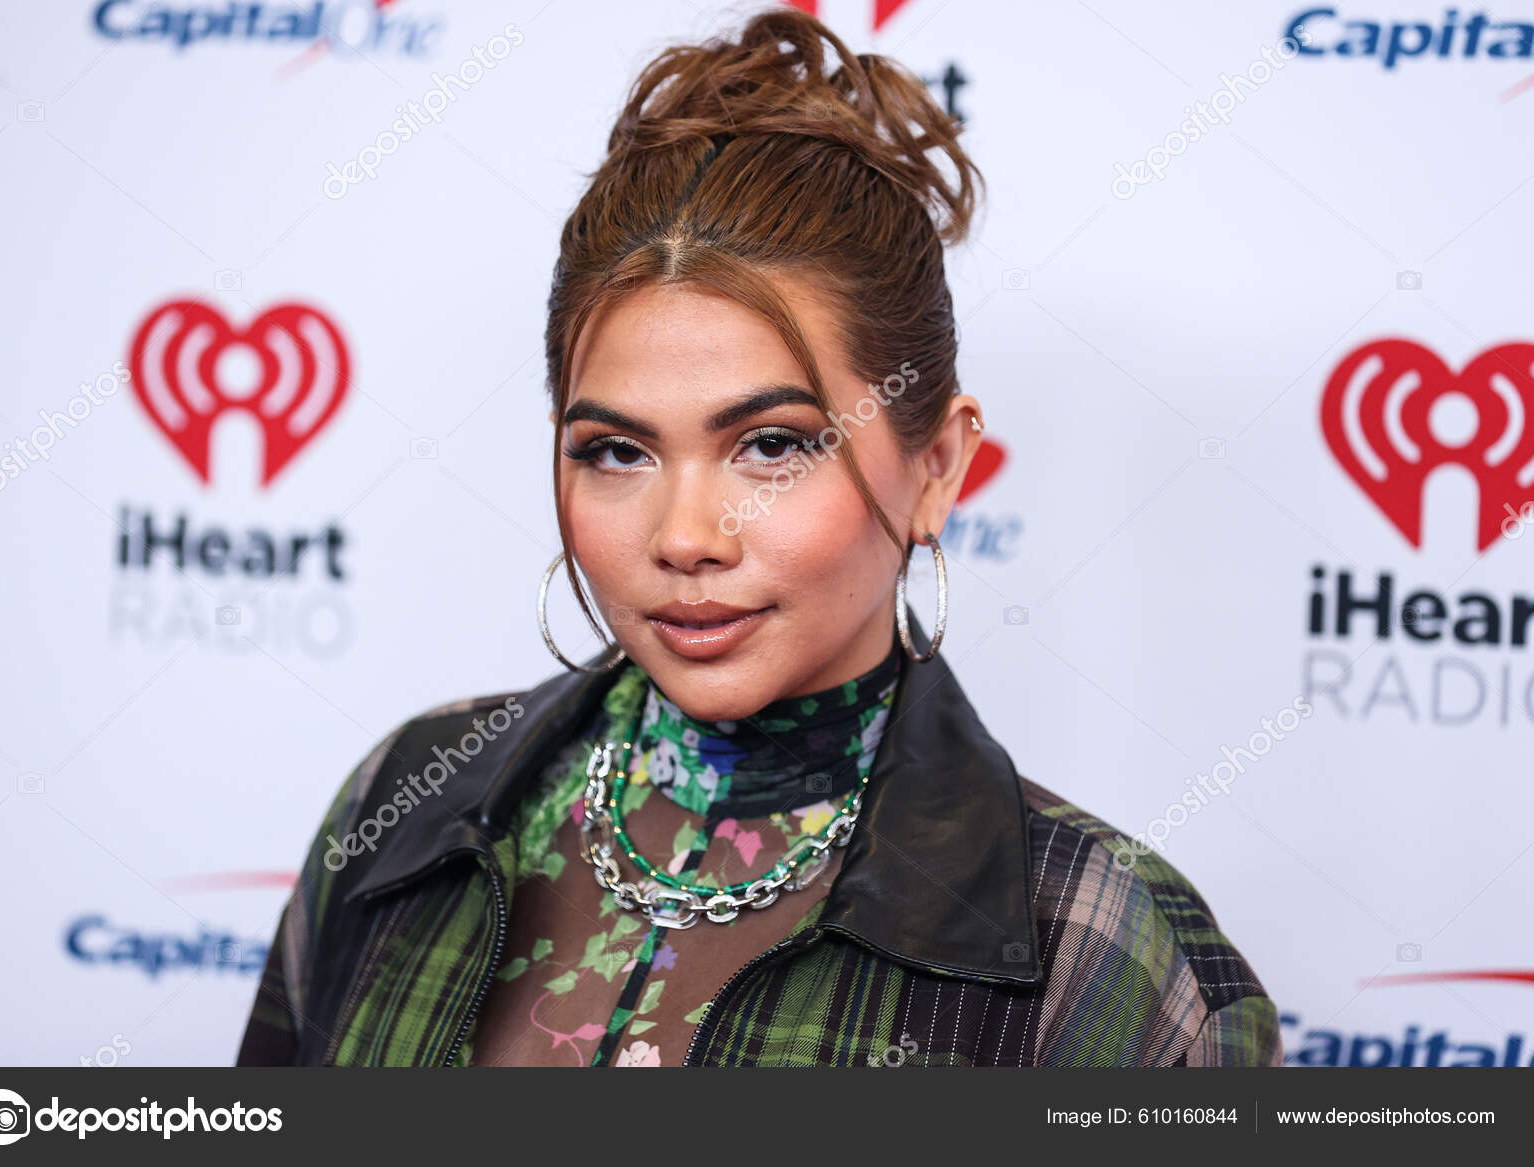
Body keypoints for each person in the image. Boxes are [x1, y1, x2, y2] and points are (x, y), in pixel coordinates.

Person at [237, 6, 1280, 1068]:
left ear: (936, 468)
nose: (687, 536)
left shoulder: (1097, 945)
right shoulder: (406, 809)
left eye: (773, 445)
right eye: (616, 452)